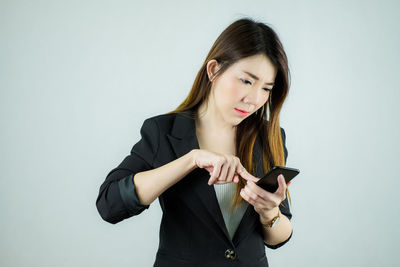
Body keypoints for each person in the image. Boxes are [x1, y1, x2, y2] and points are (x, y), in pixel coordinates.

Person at [96, 17, 294, 267]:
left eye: (266, 88)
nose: (254, 99)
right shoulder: (163, 131)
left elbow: (279, 236)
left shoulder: (270, 137)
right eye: (246, 80)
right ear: (213, 70)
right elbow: (109, 204)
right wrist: (191, 160)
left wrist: (269, 213)